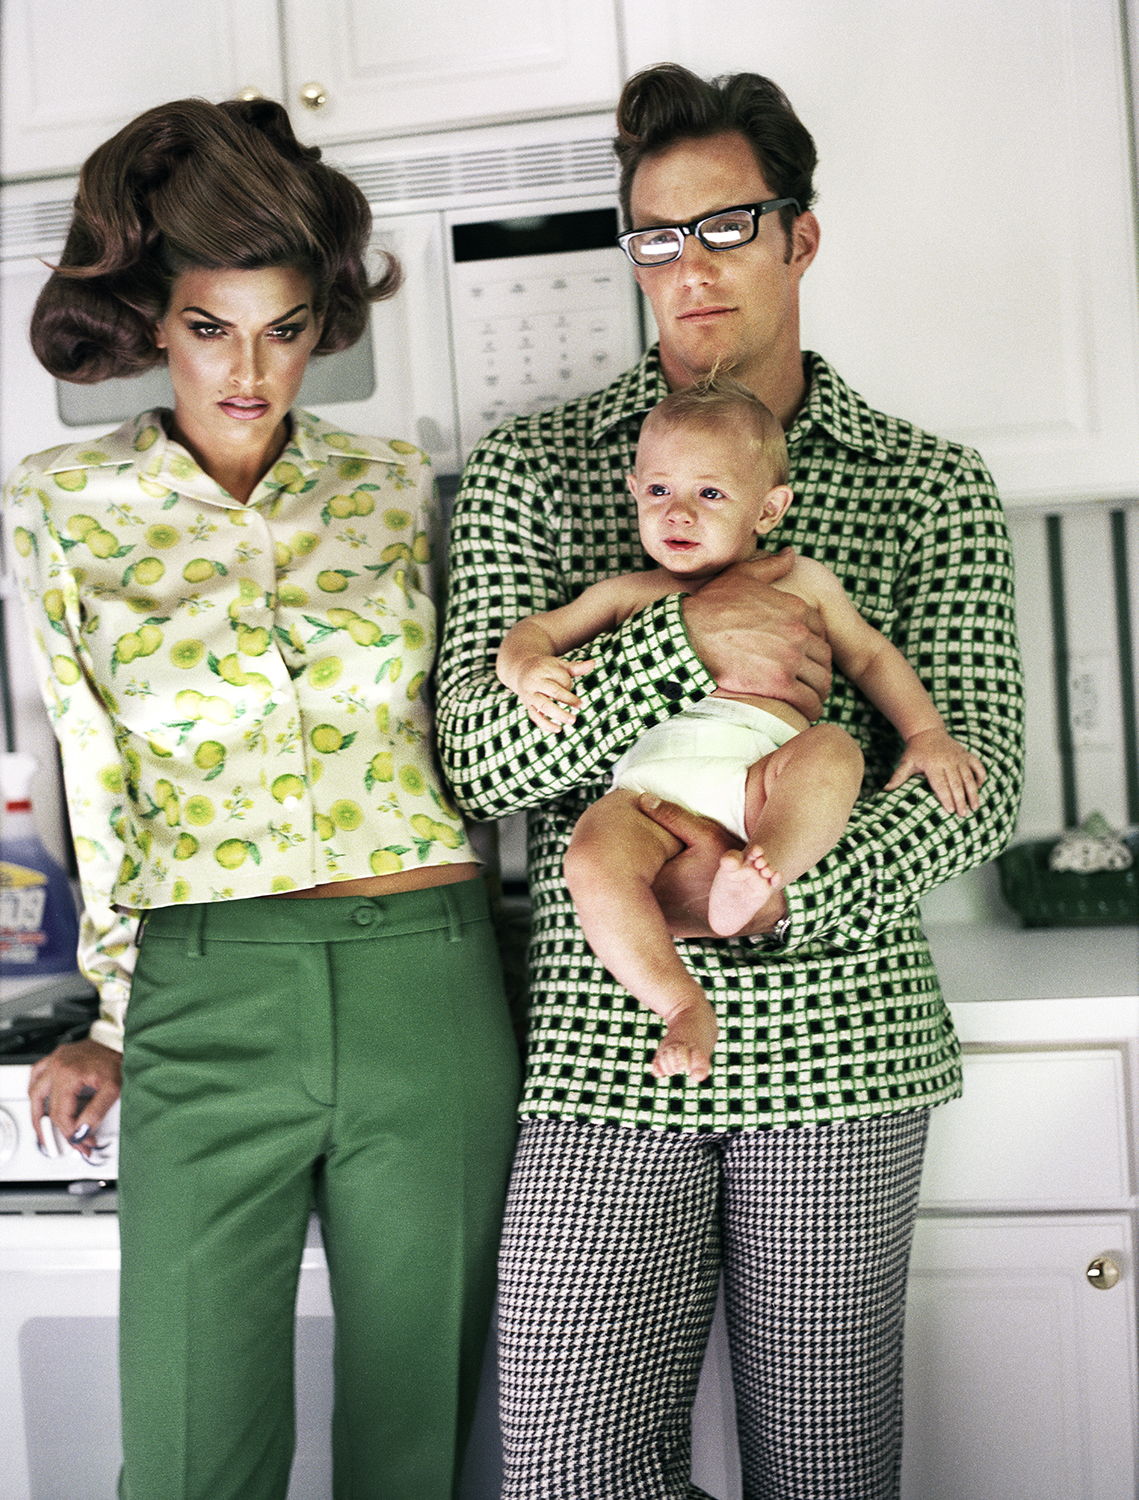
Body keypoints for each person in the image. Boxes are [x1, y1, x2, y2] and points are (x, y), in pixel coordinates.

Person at [436, 61, 1025, 1500]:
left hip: (843, 1046)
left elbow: (979, 770)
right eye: (653, 235)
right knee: (566, 1466)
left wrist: (769, 900)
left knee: (822, 1473)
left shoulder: (921, 483)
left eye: (722, 227)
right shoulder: (535, 474)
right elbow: (479, 759)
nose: (684, 269)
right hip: (608, 1054)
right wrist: (678, 638)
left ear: (796, 237)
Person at [5, 97, 519, 1500]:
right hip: (206, 989)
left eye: (283, 328)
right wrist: (112, 1014)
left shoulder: (395, 485)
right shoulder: (62, 506)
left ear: (320, 323)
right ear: (152, 325)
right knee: (184, 1454)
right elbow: (95, 782)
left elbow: (469, 742)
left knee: (415, 1447)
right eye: (212, 328)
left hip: (428, 987)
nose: (250, 369)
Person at [495, 378, 986, 1084]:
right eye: (659, 491)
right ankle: (678, 1003)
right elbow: (536, 630)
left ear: (770, 508)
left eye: (710, 495)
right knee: (590, 857)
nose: (679, 514)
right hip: (647, 794)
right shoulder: (633, 593)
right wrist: (525, 666)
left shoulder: (802, 583)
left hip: (762, 783)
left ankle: (764, 867)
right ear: (632, 490)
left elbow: (872, 654)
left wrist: (926, 733)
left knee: (832, 751)